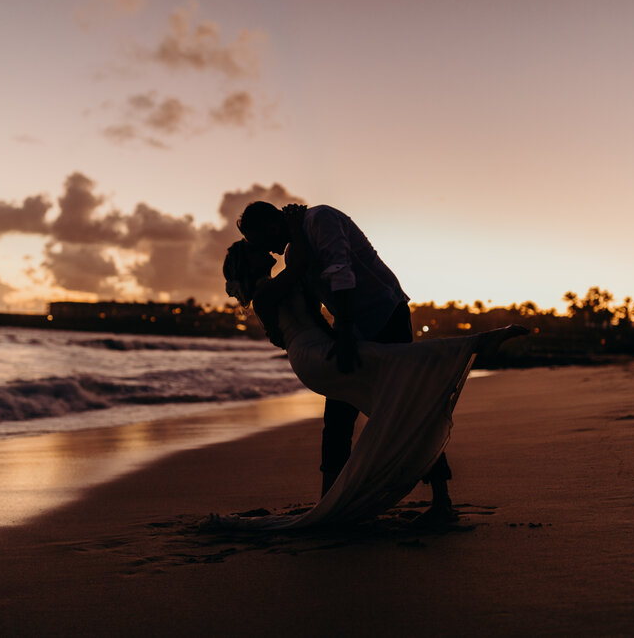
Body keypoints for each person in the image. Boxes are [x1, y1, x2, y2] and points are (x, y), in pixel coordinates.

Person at [220, 239, 527, 529]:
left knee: (400, 400)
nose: (259, 248)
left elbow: (295, 315)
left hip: (322, 350)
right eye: (251, 247)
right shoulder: (266, 292)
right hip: (315, 356)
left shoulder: (281, 285)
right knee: (401, 370)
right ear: (248, 263)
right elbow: (298, 270)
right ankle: (476, 344)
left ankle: (338, 503)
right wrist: (296, 225)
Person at [238, 201, 462, 520]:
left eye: (260, 241)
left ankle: (442, 499)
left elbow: (341, 271)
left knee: (406, 405)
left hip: (384, 315)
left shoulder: (320, 219)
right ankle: (330, 503)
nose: (268, 252)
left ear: (271, 225)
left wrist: (342, 332)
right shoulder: (293, 252)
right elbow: (312, 300)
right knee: (338, 415)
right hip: (352, 327)